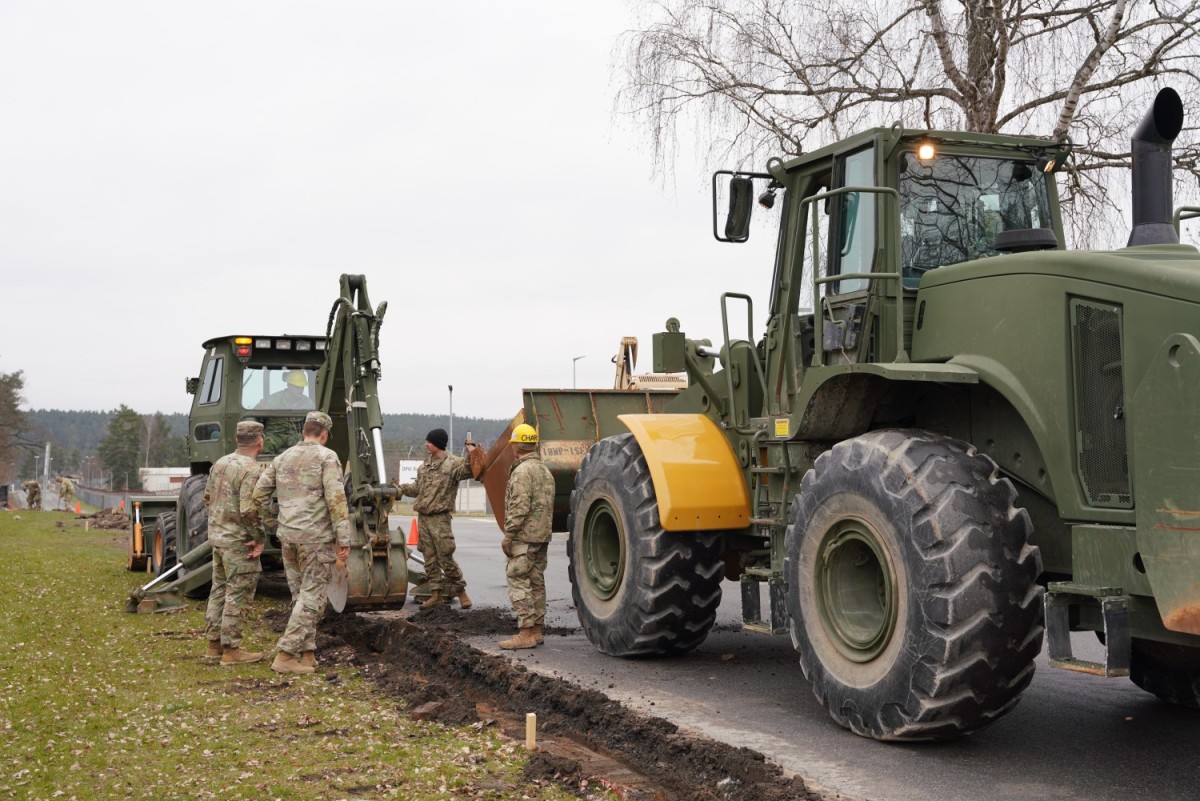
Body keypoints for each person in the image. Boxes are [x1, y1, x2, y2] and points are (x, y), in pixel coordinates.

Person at [252, 410, 350, 675]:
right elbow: (336, 499)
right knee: (313, 597)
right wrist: (344, 537)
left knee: (300, 595)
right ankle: (285, 654)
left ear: (303, 431)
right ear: (324, 434)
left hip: (289, 538)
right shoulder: (327, 457)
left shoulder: (282, 457)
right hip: (316, 540)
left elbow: (259, 494)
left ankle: (307, 654)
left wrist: (275, 521)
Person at [394, 428, 483, 610]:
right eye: (426, 441)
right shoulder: (424, 466)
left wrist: (472, 453)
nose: (426, 444)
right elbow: (416, 488)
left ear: (439, 444)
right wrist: (399, 489)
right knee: (429, 558)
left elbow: (470, 470)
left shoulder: (453, 464)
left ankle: (461, 591)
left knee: (445, 557)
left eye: (430, 442)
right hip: (424, 518)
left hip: (440, 518)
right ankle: (435, 594)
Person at [203, 421, 268, 666]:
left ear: (237, 439)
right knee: (237, 594)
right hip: (239, 542)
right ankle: (232, 650)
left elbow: (207, 498)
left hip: (218, 539)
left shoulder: (220, 463)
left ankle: (214, 644)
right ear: (260, 440)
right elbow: (249, 509)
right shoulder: (251, 470)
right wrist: (259, 537)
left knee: (218, 589)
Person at [497, 423, 555, 650]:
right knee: (536, 581)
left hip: (524, 537)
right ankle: (537, 629)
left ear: (515, 447)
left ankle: (525, 632)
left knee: (517, 578)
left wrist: (509, 535)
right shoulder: (544, 470)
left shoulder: (521, 471)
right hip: (541, 536)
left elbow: (519, 507)